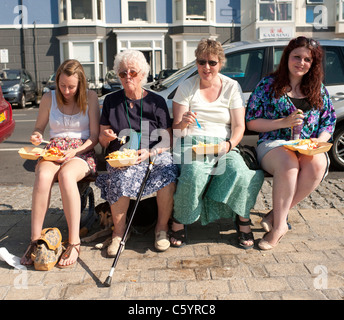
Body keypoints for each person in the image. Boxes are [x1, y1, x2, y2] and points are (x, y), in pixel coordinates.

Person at [170, 38, 264, 249]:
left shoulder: (232, 87)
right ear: (196, 63)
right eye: (202, 62)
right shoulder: (186, 86)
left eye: (212, 62)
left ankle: (242, 219)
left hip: (223, 144)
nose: (206, 67)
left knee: (239, 171)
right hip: (192, 144)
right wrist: (183, 122)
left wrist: (229, 145)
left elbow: (239, 126)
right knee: (193, 173)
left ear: (220, 63)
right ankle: (179, 220)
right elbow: (177, 131)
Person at [246, 36, 336, 250]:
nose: (301, 63)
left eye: (307, 59)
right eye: (297, 57)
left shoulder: (318, 88)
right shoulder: (268, 85)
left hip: (306, 145)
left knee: (318, 164)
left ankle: (275, 214)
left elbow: (329, 122)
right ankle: (279, 227)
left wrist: (319, 141)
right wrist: (283, 122)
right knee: (289, 164)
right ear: (287, 57)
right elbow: (252, 122)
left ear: (312, 64)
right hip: (273, 144)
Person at [95, 49, 178, 255]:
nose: (127, 77)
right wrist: (107, 137)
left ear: (143, 75)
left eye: (132, 72)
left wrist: (150, 152)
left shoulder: (156, 102)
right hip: (121, 157)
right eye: (122, 73)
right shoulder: (111, 101)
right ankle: (119, 233)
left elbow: (167, 139)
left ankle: (161, 228)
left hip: (152, 155)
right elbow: (102, 138)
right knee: (118, 178)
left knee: (167, 171)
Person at [20, 59, 100, 267]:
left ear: (81, 84)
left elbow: (94, 136)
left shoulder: (90, 97)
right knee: (43, 175)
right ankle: (35, 240)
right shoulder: (48, 98)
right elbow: (38, 128)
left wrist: (75, 150)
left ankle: (74, 242)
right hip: (54, 149)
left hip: (81, 150)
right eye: (62, 85)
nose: (66, 91)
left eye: (71, 87)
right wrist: (36, 136)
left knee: (66, 176)